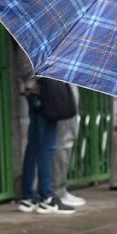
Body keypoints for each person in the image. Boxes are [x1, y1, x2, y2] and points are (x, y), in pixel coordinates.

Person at [15, 54, 76, 214]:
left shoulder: (28, 37)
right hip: (44, 93)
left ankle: (28, 196)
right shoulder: (43, 39)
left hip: (34, 92)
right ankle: (46, 197)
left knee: (34, 146)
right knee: (46, 147)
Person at [52, 85, 86, 207]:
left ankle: (59, 188)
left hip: (64, 85)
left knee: (65, 141)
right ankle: (58, 189)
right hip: (61, 86)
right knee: (63, 142)